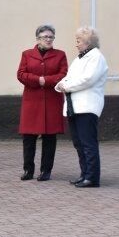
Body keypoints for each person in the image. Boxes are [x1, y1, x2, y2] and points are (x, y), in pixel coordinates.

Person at [55, 26, 108, 188]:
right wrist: (60, 85)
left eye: (78, 41)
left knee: (88, 143)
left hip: (87, 107)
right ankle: (84, 174)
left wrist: (67, 86)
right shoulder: (79, 59)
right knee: (78, 143)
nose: (76, 44)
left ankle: (92, 178)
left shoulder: (96, 57)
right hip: (74, 107)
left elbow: (88, 79)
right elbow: (67, 79)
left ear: (87, 42)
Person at [16, 25, 68, 181]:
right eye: (45, 36)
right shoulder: (27, 54)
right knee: (29, 138)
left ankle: (46, 170)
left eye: (51, 37)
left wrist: (46, 81)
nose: (48, 39)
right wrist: (37, 80)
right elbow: (21, 74)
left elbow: (64, 74)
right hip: (32, 101)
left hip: (52, 101)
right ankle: (28, 170)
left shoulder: (60, 55)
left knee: (50, 138)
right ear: (37, 38)